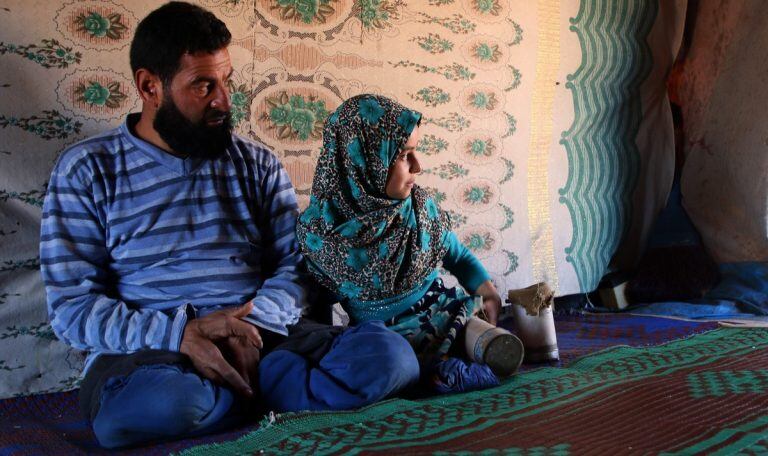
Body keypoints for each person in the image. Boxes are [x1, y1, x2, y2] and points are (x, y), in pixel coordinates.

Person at [40, 3, 418, 449]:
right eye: (203, 85)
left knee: (392, 357)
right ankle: (262, 395)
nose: (224, 100)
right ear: (149, 86)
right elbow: (72, 309)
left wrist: (253, 328)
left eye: (226, 81)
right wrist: (181, 335)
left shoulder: (257, 164)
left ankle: (239, 391)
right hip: (154, 353)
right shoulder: (86, 169)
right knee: (154, 404)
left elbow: (297, 266)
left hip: (266, 337)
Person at [295, 94, 524, 393]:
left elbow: (457, 256)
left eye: (415, 152)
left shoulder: (418, 207)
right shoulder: (323, 234)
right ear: (364, 162)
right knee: (392, 363)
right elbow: (317, 311)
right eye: (404, 155)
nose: (418, 166)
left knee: (491, 342)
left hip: (449, 315)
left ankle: (455, 362)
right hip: (385, 338)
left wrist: (489, 294)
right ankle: (434, 371)